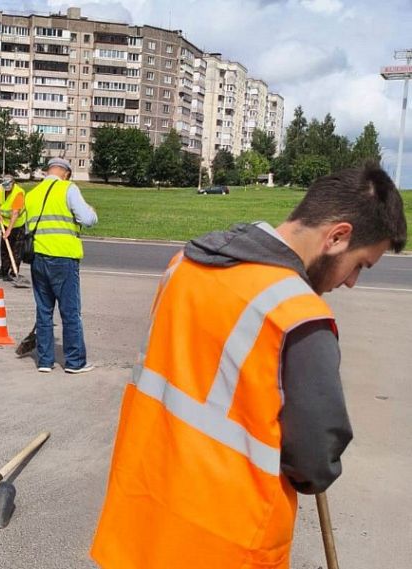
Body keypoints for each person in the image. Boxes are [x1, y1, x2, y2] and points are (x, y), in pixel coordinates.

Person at [91, 164, 407, 569]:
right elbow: (314, 461)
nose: (351, 283)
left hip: (143, 518)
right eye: (361, 264)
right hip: (224, 544)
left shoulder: (183, 267)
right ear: (337, 236)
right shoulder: (298, 315)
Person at [25, 157, 98, 374]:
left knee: (44, 311)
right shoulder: (68, 188)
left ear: (48, 171)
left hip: (38, 258)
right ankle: (75, 362)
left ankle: (45, 361)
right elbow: (87, 219)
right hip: (64, 257)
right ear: (66, 173)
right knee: (70, 312)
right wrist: (92, 211)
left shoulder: (32, 194)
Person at [0, 176, 26, 281]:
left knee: (16, 249)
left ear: (13, 184)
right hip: (5, 223)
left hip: (17, 224)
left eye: (8, 186)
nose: (6, 188)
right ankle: (3, 270)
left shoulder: (18, 193)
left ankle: (14, 272)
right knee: (4, 247)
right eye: (5, 186)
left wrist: (9, 230)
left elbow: (15, 213)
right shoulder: (1, 189)